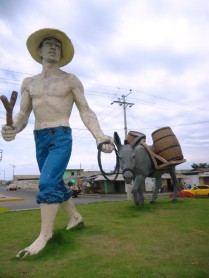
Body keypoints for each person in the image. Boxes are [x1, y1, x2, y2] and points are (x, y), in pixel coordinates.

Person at [1, 28, 113, 258]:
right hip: (39, 137)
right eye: (48, 43)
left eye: (57, 45)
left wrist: (100, 136)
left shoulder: (71, 80)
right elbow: (22, 115)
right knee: (55, 184)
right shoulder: (29, 82)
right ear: (39, 50)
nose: (53, 47)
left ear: (61, 52)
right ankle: (75, 217)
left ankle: (45, 235)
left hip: (61, 135)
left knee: (47, 182)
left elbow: (86, 110)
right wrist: (12, 128)